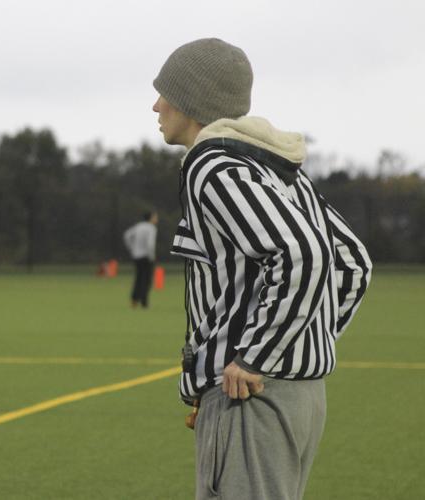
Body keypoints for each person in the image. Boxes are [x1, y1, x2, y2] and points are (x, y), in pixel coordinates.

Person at [152, 39, 371, 500]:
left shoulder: (211, 165)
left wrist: (255, 358)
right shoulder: (277, 170)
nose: (156, 105)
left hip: (251, 399)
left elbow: (303, 254)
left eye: (164, 93)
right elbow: (351, 262)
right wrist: (290, 351)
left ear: (191, 102)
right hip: (298, 398)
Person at [123, 211, 158, 308]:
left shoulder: (138, 226)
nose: (156, 219)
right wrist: (152, 256)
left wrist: (131, 248)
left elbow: (127, 235)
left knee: (138, 278)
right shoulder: (151, 228)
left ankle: (134, 300)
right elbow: (150, 244)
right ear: (151, 218)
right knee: (146, 280)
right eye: (155, 217)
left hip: (136, 256)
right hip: (146, 257)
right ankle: (144, 302)